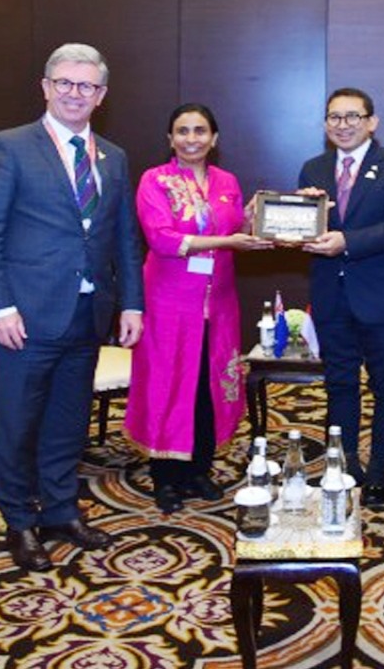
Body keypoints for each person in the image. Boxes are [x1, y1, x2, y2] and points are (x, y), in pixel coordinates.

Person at [0, 43, 145, 572]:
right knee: (15, 422)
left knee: (69, 421)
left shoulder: (113, 156)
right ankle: (18, 520)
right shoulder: (9, 147)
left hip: (87, 316)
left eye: (86, 86)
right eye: (64, 83)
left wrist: (131, 304)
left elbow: (123, 240)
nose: (74, 93)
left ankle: (61, 509)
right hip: (25, 316)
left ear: (101, 95)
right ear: (46, 87)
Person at [125, 104, 272, 514]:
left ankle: (199, 468)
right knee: (170, 383)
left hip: (219, 302)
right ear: (170, 139)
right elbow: (163, 239)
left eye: (200, 130)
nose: (192, 138)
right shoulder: (155, 180)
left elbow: (236, 229)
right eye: (183, 131)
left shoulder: (227, 181)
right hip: (168, 302)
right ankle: (165, 476)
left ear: (214, 138)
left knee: (209, 385)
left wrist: (263, 217)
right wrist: (228, 243)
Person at [297, 88, 384, 509]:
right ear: (325, 124)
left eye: (353, 116)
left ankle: (381, 468)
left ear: (372, 122)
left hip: (383, 298)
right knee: (340, 384)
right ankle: (344, 465)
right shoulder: (312, 169)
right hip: (332, 296)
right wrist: (300, 222)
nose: (343, 124)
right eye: (334, 117)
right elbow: (304, 229)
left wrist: (345, 241)